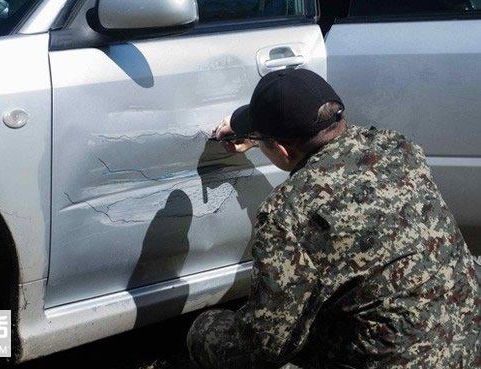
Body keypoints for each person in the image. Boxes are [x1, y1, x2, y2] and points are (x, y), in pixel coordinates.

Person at [186, 68, 479, 369]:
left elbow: (267, 344)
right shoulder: (398, 147)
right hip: (467, 344)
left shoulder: (287, 210)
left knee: (208, 330)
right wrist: (253, 132)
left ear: (283, 149)